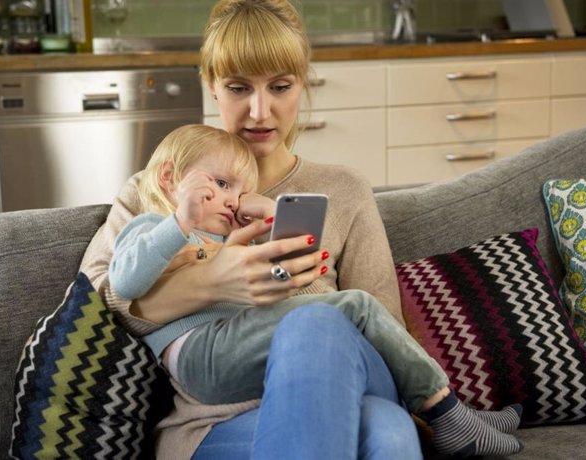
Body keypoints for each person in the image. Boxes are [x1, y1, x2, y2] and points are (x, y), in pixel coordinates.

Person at [79, 1, 521, 458]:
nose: (259, 111)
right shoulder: (164, 189)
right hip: (216, 423)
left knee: (322, 331)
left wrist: (292, 291)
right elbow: (98, 298)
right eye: (237, 87)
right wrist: (209, 277)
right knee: (385, 433)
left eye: (280, 86)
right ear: (210, 85)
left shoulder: (343, 191)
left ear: (303, 83)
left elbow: (380, 327)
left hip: (348, 388)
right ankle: (457, 422)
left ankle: (448, 418)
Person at [109, 123, 525, 458]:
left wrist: (273, 222)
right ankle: (447, 411)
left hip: (268, 371)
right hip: (204, 359)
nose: (231, 201)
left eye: (237, 190)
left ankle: (453, 417)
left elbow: (272, 297)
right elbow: (123, 284)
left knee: (389, 430)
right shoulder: (151, 226)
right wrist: (181, 222)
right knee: (340, 311)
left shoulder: (232, 233)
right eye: (219, 183)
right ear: (169, 178)